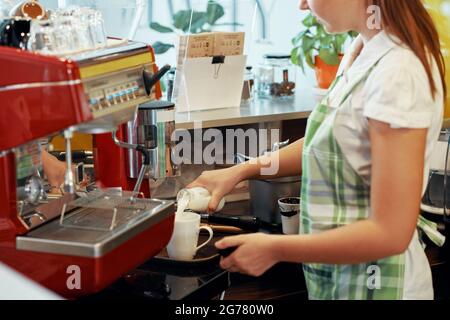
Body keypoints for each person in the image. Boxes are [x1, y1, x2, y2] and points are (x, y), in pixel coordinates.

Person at [188, 0, 447, 300]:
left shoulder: (398, 73)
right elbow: (328, 146)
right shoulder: (361, 49)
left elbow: (391, 233)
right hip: (343, 283)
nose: (301, 5)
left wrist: (276, 249)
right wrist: (241, 171)